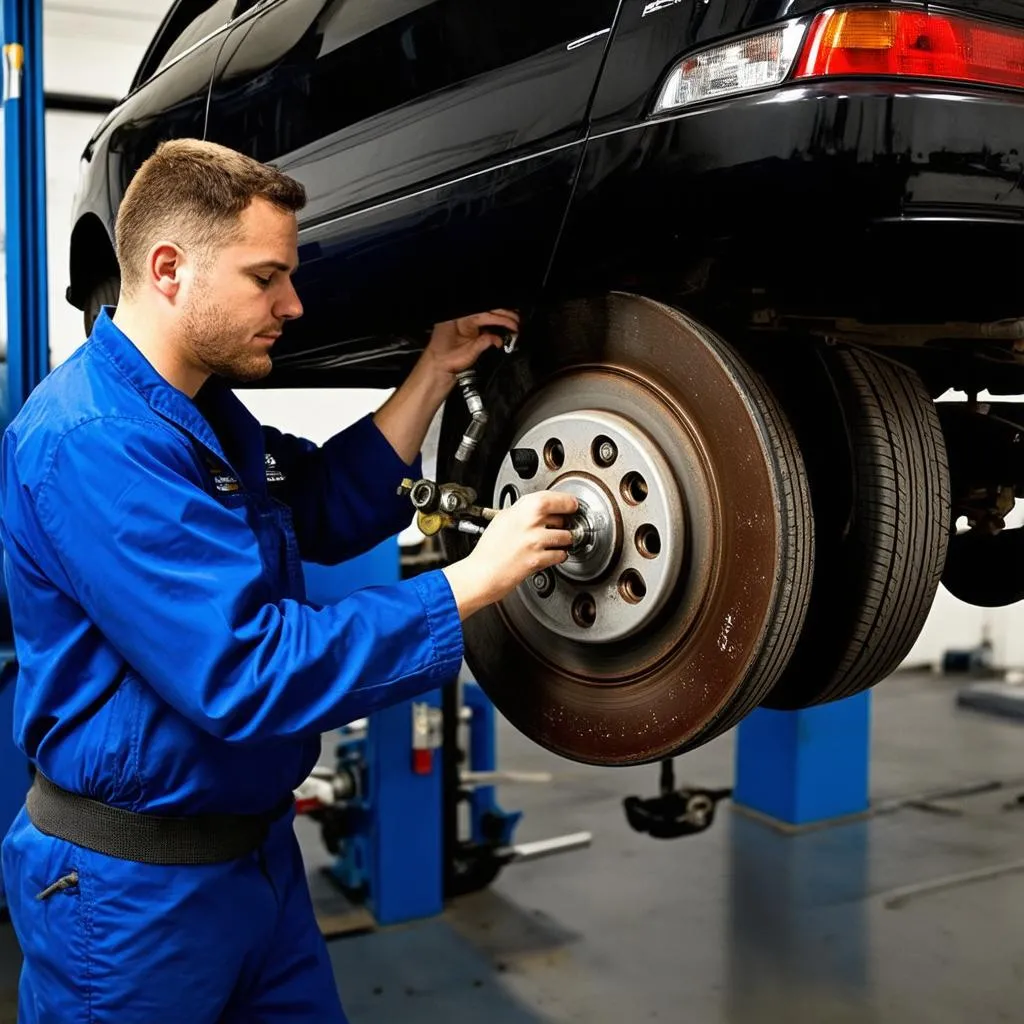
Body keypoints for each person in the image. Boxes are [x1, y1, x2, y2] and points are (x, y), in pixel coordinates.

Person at [0, 138, 578, 1023]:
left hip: (258, 862)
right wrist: (467, 585)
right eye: (265, 277)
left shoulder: (202, 411)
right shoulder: (93, 442)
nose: (294, 304)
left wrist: (433, 371)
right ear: (169, 270)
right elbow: (245, 670)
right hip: (132, 898)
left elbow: (317, 501)